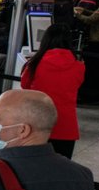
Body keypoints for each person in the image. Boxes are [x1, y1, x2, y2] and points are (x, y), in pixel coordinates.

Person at [20, 25, 84, 159]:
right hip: (66, 127)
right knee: (60, 171)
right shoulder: (79, 66)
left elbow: (24, 86)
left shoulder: (34, 63)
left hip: (37, 123)